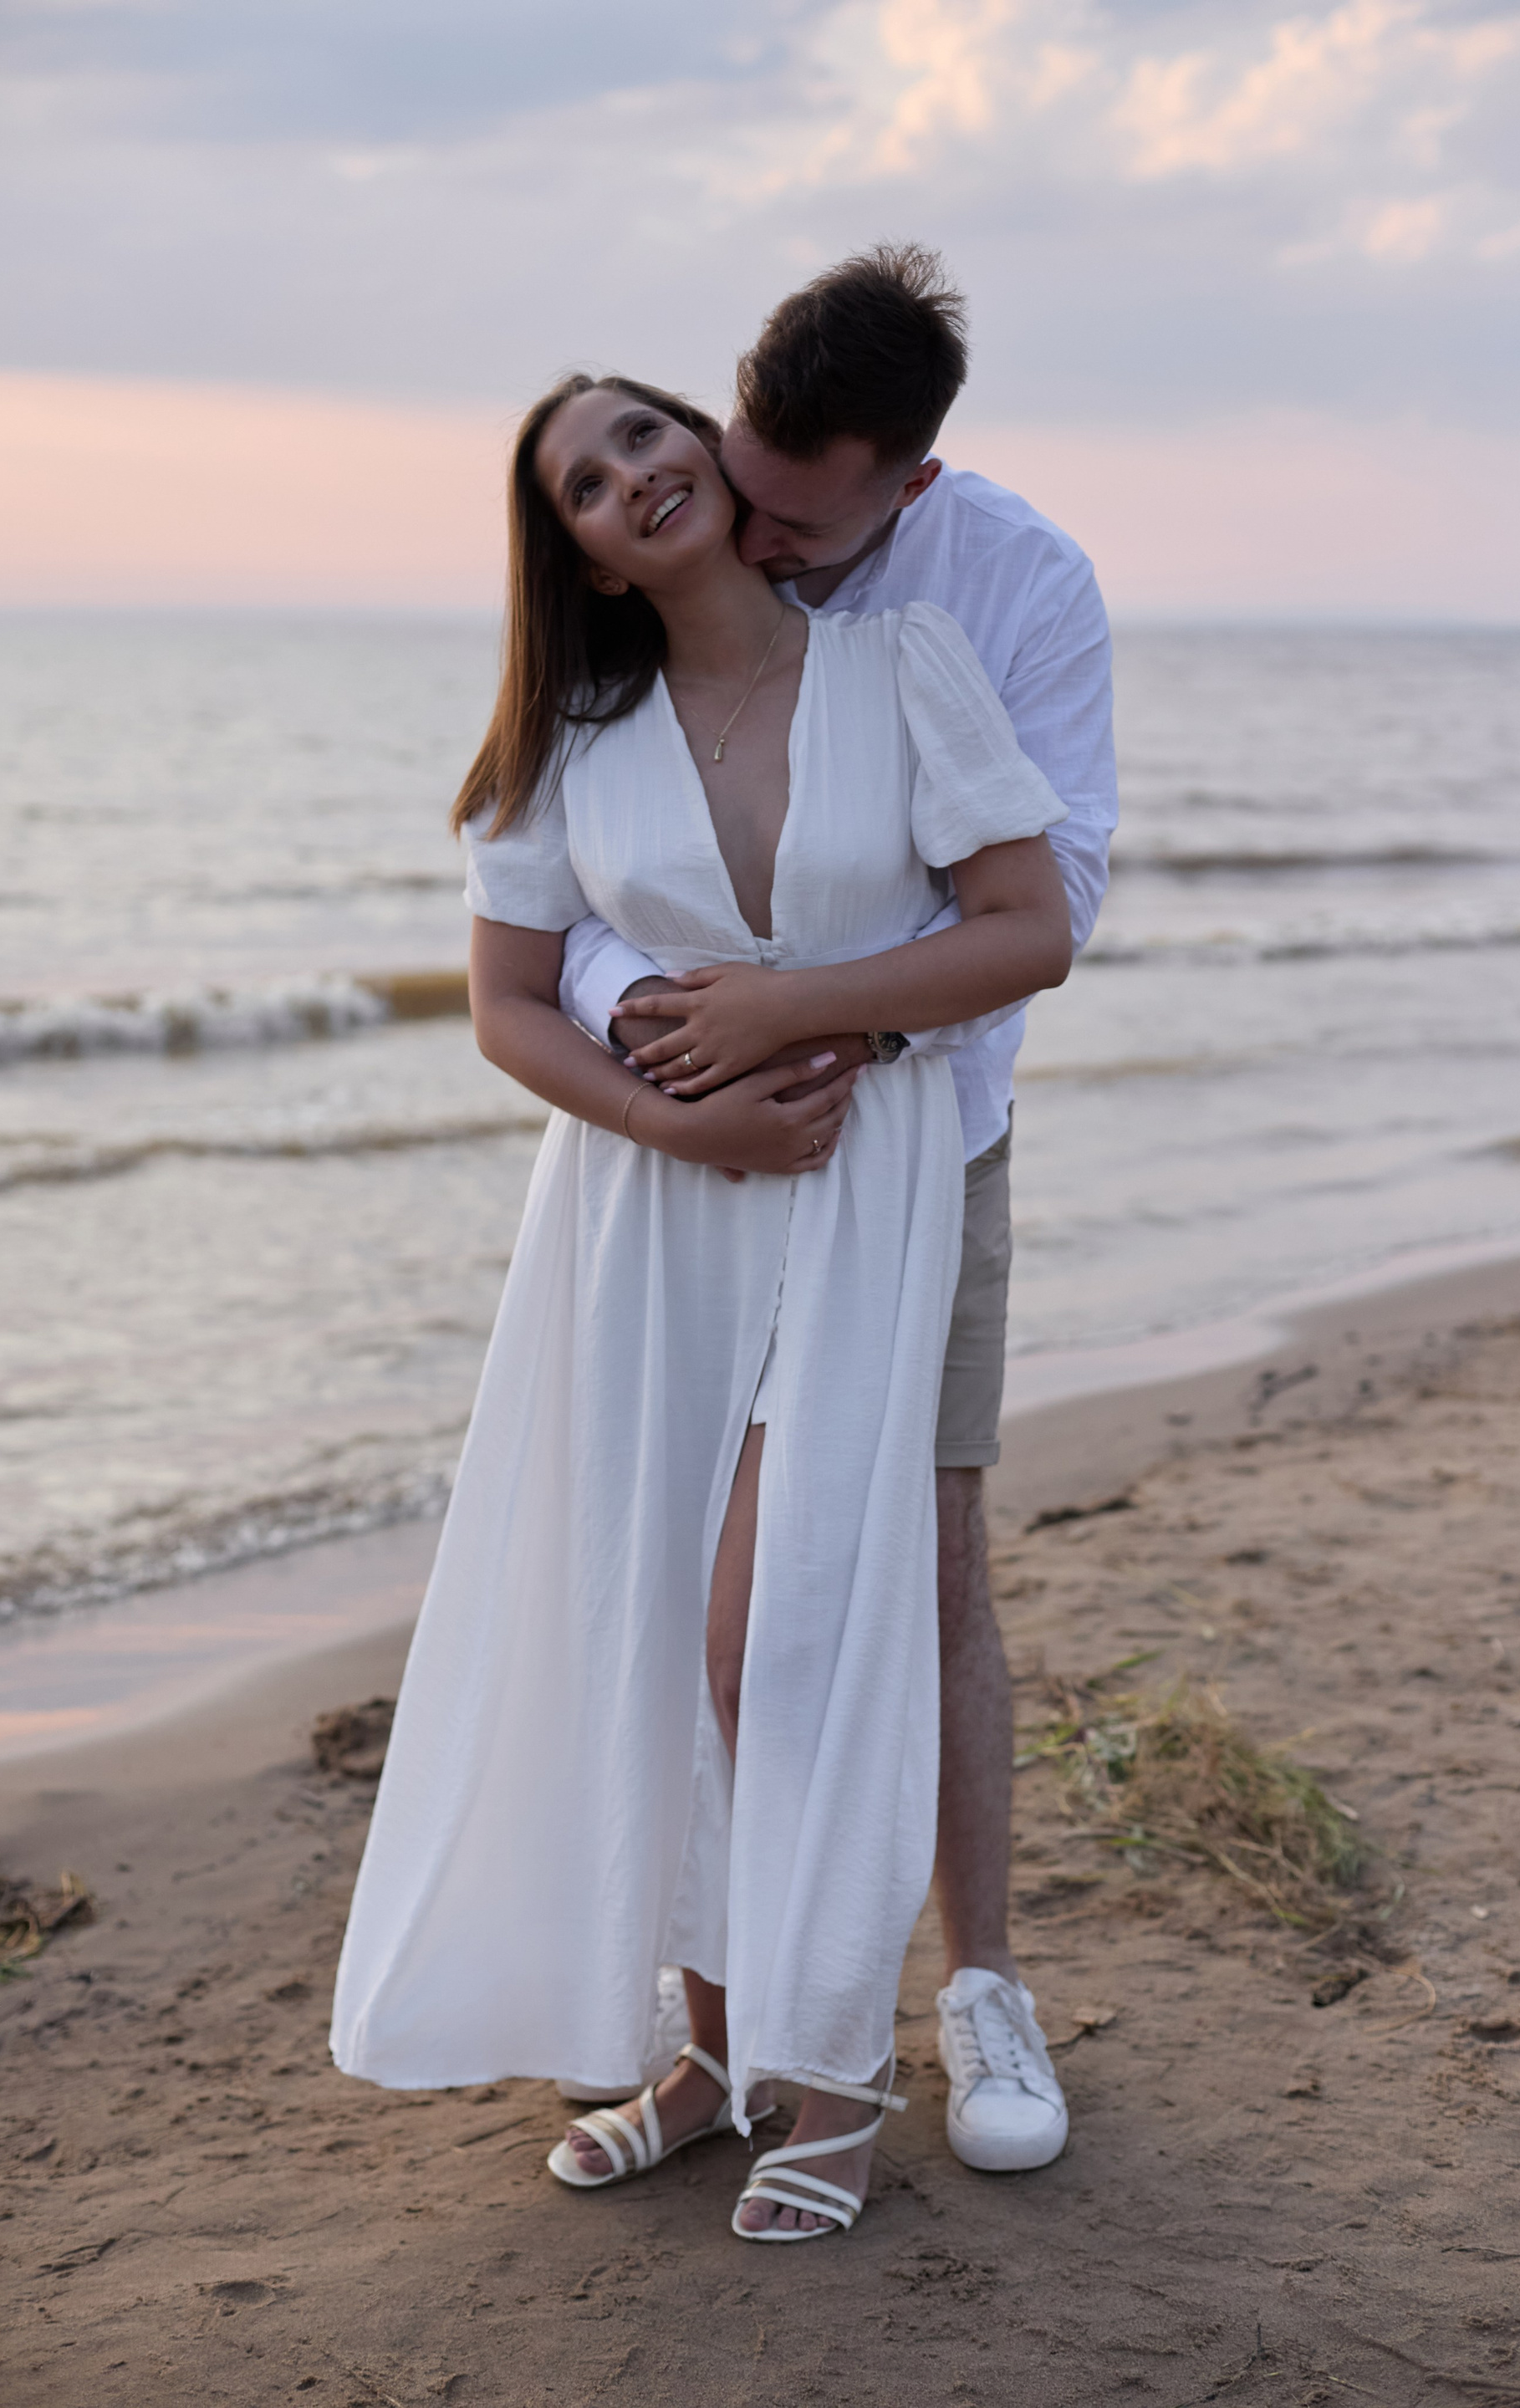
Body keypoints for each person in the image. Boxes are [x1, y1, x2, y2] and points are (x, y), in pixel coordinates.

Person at [329, 365, 1073, 2242]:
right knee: (665, 1639)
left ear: (713, 456)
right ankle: (714, 2060)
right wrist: (688, 1122)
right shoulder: (570, 741)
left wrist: (788, 1018)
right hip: (648, 1213)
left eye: (645, 436)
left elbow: (1029, 927)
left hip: (866, 1188)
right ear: (580, 553)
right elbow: (506, 1008)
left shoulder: (904, 670)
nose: (631, 478)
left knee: (782, 1633)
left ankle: (837, 2070)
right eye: (586, 483)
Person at [556, 245, 1117, 2174]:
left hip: (928, 1147)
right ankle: (731, 2012)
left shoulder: (1009, 591)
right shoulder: (669, 545)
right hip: (688, 1162)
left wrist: (804, 1017)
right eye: (746, 484)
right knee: (696, 1591)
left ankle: (978, 1986)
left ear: (913, 485)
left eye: (807, 523)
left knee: (924, 1567)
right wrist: (657, 1037)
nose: (764, 541)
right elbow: (567, 888)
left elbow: (1049, 905)